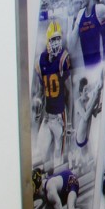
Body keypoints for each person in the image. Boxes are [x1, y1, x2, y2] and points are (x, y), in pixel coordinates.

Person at [32, 20, 73, 172]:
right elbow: (40, 90)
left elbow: (70, 93)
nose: (56, 43)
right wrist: (38, 101)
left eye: (58, 39)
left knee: (58, 157)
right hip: (47, 117)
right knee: (40, 152)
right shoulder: (41, 61)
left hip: (60, 118)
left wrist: (69, 122)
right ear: (47, 40)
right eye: (53, 39)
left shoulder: (63, 59)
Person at [69, 0, 105, 68]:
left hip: (100, 68)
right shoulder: (80, 14)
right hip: (88, 70)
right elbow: (71, 47)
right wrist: (70, 18)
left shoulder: (99, 9)